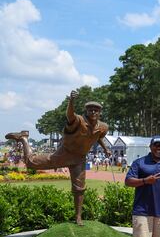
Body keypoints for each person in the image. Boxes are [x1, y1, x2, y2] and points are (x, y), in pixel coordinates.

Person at [5, 90, 110, 225]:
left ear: (100, 112)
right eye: (90, 110)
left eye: (96, 110)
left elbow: (98, 137)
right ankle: (24, 138)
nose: (93, 112)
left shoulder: (103, 127)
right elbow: (70, 115)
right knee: (31, 163)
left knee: (79, 188)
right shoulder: (79, 120)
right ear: (86, 111)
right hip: (65, 153)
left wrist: (106, 148)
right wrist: (71, 101)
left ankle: (78, 217)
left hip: (79, 158)